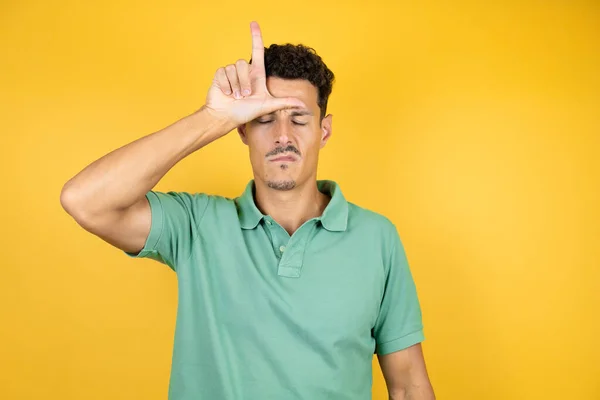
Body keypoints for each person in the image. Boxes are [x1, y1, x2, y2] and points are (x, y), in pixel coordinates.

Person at [60, 21, 435, 400]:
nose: (283, 136)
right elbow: (85, 200)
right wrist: (214, 116)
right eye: (264, 119)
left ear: (324, 130)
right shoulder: (197, 225)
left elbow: (407, 385)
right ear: (242, 130)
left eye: (299, 118)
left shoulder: (376, 237)